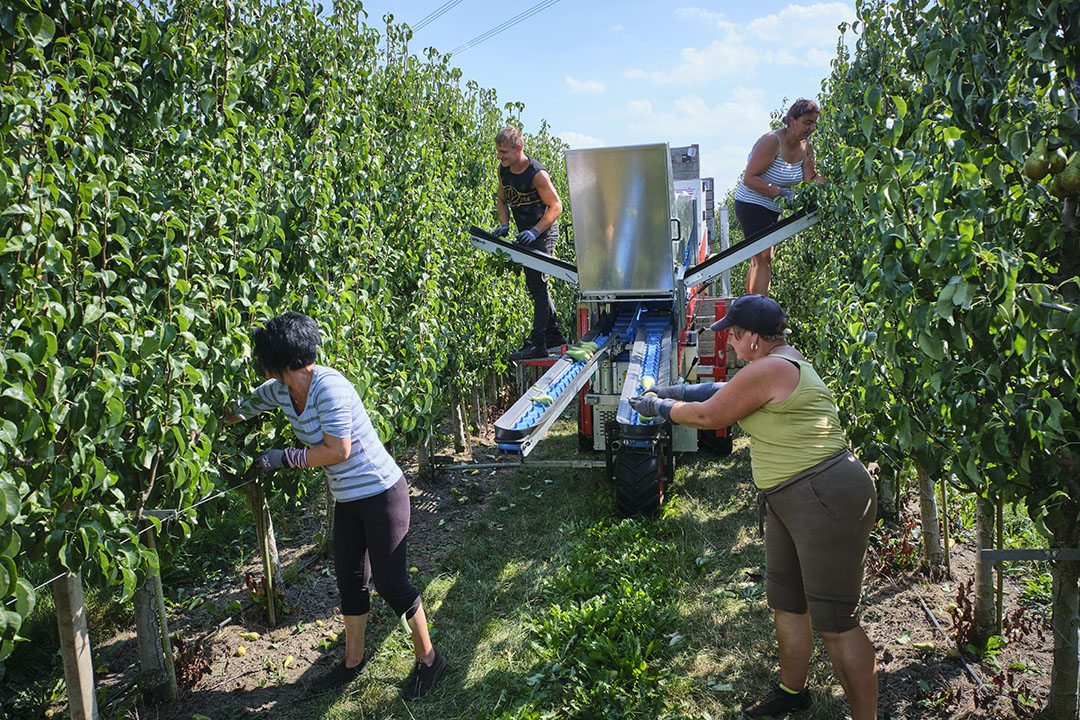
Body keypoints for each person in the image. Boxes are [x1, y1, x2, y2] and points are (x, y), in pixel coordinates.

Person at [629, 295, 878, 720]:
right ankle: (792, 692)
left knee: (836, 621)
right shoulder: (773, 364)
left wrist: (660, 407)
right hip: (790, 498)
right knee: (787, 600)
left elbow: (710, 416)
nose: (728, 344)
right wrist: (673, 390)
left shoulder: (773, 368)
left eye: (734, 336)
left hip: (824, 497)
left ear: (756, 340)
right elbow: (722, 391)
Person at [227, 312, 447, 700]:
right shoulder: (281, 390)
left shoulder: (330, 387)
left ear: (281, 361)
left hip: (381, 493)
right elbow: (242, 407)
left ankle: (430, 661)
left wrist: (284, 458)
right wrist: (203, 423)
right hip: (347, 500)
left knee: (391, 583)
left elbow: (338, 450)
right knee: (349, 581)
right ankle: (352, 663)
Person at [734, 99, 826, 297]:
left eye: (814, 123)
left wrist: (835, 181)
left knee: (764, 259)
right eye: (807, 122)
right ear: (792, 120)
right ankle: (759, 312)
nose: (812, 128)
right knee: (763, 258)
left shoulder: (807, 147)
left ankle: (750, 306)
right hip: (751, 203)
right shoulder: (771, 141)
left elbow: (809, 180)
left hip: (773, 208)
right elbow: (750, 179)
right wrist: (783, 193)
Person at [491, 125, 567, 360]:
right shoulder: (504, 171)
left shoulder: (536, 174)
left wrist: (535, 231)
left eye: (503, 152)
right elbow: (502, 201)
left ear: (518, 149)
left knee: (537, 285)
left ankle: (538, 343)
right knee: (536, 286)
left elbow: (556, 206)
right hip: (525, 234)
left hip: (543, 232)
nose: (499, 156)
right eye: (498, 151)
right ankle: (554, 335)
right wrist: (504, 225)